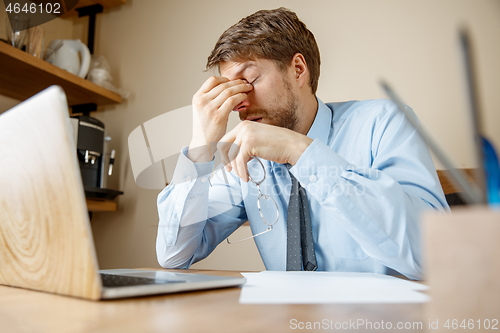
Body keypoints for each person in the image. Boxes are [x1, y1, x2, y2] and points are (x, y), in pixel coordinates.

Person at [156, 7, 448, 279]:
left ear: (297, 69)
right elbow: (174, 255)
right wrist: (200, 146)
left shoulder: (383, 124)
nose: (238, 103)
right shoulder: (247, 160)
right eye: (228, 89)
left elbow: (435, 255)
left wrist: (299, 151)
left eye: (249, 80)